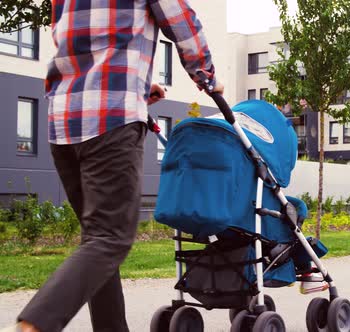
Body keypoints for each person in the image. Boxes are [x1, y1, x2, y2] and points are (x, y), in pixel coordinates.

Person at [3, 0, 223, 331]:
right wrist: (207, 77)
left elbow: (73, 42)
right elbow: (181, 19)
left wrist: (137, 84)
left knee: (98, 242)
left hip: (63, 123)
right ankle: (35, 323)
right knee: (109, 239)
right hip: (112, 121)